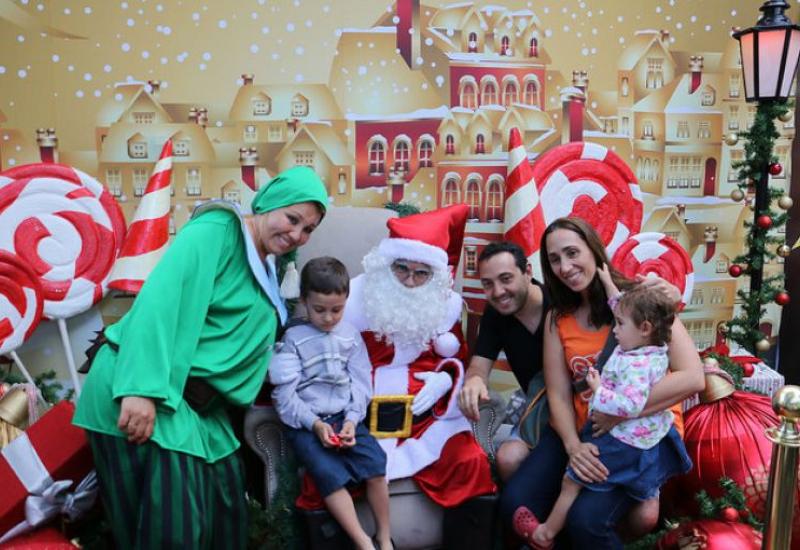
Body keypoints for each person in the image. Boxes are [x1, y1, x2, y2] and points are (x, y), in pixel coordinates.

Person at [73, 166, 328, 549]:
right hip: (153, 390)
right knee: (172, 529)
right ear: (268, 203)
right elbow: (160, 302)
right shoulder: (217, 232)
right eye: (292, 219)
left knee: (226, 517)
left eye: (308, 229)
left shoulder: (268, 265)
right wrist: (141, 390)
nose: (296, 234)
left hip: (203, 410)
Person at [499, 216, 704, 549]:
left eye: (571, 253)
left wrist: (620, 414)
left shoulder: (639, 299)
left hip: (637, 437)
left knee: (586, 522)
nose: (564, 266)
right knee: (515, 503)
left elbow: (692, 377)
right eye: (554, 259)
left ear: (594, 251)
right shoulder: (558, 316)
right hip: (583, 430)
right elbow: (559, 393)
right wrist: (573, 448)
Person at [343, 204, 496, 548]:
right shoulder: (352, 298)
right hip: (363, 415)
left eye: (421, 273)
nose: (410, 281)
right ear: (387, 263)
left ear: (434, 275)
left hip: (428, 419)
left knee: (470, 462)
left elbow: (458, 357)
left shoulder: (445, 305)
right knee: (327, 472)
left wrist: (445, 379)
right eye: (401, 269)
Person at [269, 257, 392, 550]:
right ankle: (362, 541)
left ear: (346, 300)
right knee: (328, 475)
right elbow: (284, 396)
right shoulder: (293, 339)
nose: (328, 318)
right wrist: (315, 424)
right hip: (308, 423)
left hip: (345, 416)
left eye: (336, 310)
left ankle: (385, 536)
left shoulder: (350, 337)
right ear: (304, 301)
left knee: (376, 465)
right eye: (319, 310)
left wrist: (351, 420)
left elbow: (361, 383)